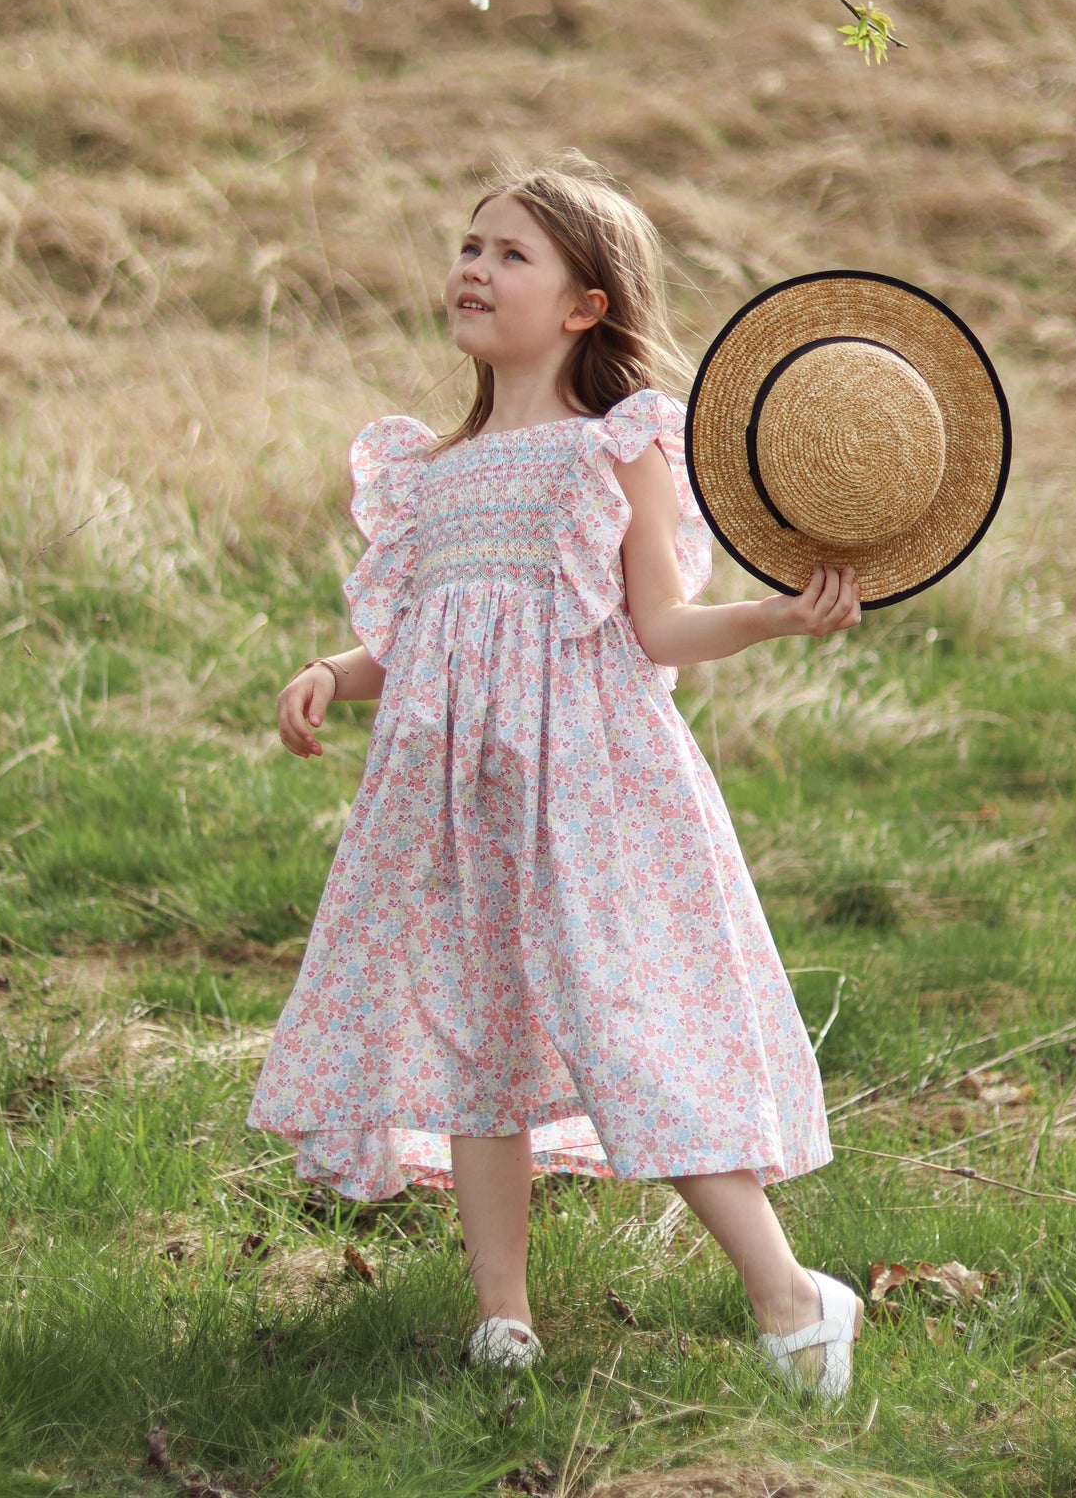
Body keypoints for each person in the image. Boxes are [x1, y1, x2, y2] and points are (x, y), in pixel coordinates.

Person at [250, 154, 864, 1399]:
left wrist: (770, 620)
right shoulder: (428, 469)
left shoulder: (613, 444)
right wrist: (334, 667)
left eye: (509, 253)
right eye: (468, 246)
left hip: (589, 787)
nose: (473, 267)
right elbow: (433, 631)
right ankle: (502, 1315)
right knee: (476, 1030)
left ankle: (791, 1295)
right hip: (456, 799)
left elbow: (656, 624)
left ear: (585, 304)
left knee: (628, 1027)